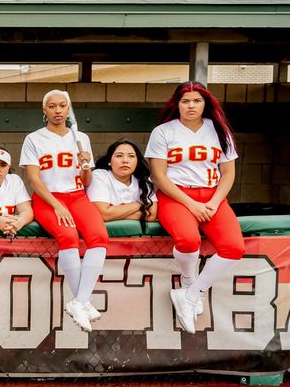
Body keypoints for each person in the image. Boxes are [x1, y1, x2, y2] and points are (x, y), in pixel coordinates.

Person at [145, 81, 242, 335]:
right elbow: (159, 176)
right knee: (188, 240)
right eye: (185, 101)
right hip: (176, 195)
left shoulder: (219, 130)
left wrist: (213, 201)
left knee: (233, 248)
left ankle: (189, 295)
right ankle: (188, 282)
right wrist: (191, 204)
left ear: (205, 103)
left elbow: (228, 173)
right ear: (176, 104)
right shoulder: (164, 131)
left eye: (196, 101)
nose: (191, 106)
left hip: (213, 196)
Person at [20, 89, 105, 333]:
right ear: (44, 110)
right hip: (49, 198)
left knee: (99, 237)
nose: (58, 111)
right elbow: (34, 180)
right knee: (68, 238)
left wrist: (86, 164)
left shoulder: (81, 138)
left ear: (69, 109)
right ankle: (82, 302)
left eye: (62, 106)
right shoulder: (34, 139)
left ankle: (80, 301)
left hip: (77, 195)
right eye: (52, 106)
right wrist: (57, 205)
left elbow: (86, 181)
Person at [88, 138, 157, 227]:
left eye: (131, 156)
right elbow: (103, 214)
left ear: (137, 162)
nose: (125, 160)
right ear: (109, 161)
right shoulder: (99, 176)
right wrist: (138, 205)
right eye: (119, 156)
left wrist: (114, 212)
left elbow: (151, 215)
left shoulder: (143, 178)